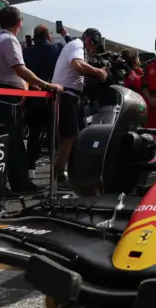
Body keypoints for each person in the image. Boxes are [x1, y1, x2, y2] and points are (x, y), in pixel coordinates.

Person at [0, 6, 63, 195]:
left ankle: (1, 184)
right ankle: (20, 185)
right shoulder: (9, 41)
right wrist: (46, 85)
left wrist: (33, 85)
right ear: (19, 22)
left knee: (1, 141)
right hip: (7, 97)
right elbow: (20, 69)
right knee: (12, 141)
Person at [51, 27, 107, 190]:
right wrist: (98, 72)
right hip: (66, 94)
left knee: (79, 135)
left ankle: (69, 171)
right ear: (90, 40)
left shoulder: (78, 46)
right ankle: (59, 174)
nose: (93, 49)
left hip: (73, 95)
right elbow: (77, 65)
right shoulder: (77, 45)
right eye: (93, 45)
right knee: (70, 136)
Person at [23, 24, 73, 179]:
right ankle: (55, 171)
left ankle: (30, 169)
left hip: (32, 97)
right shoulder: (56, 48)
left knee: (33, 134)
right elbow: (72, 47)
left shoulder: (26, 51)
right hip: (53, 96)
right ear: (48, 35)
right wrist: (65, 34)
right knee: (53, 136)